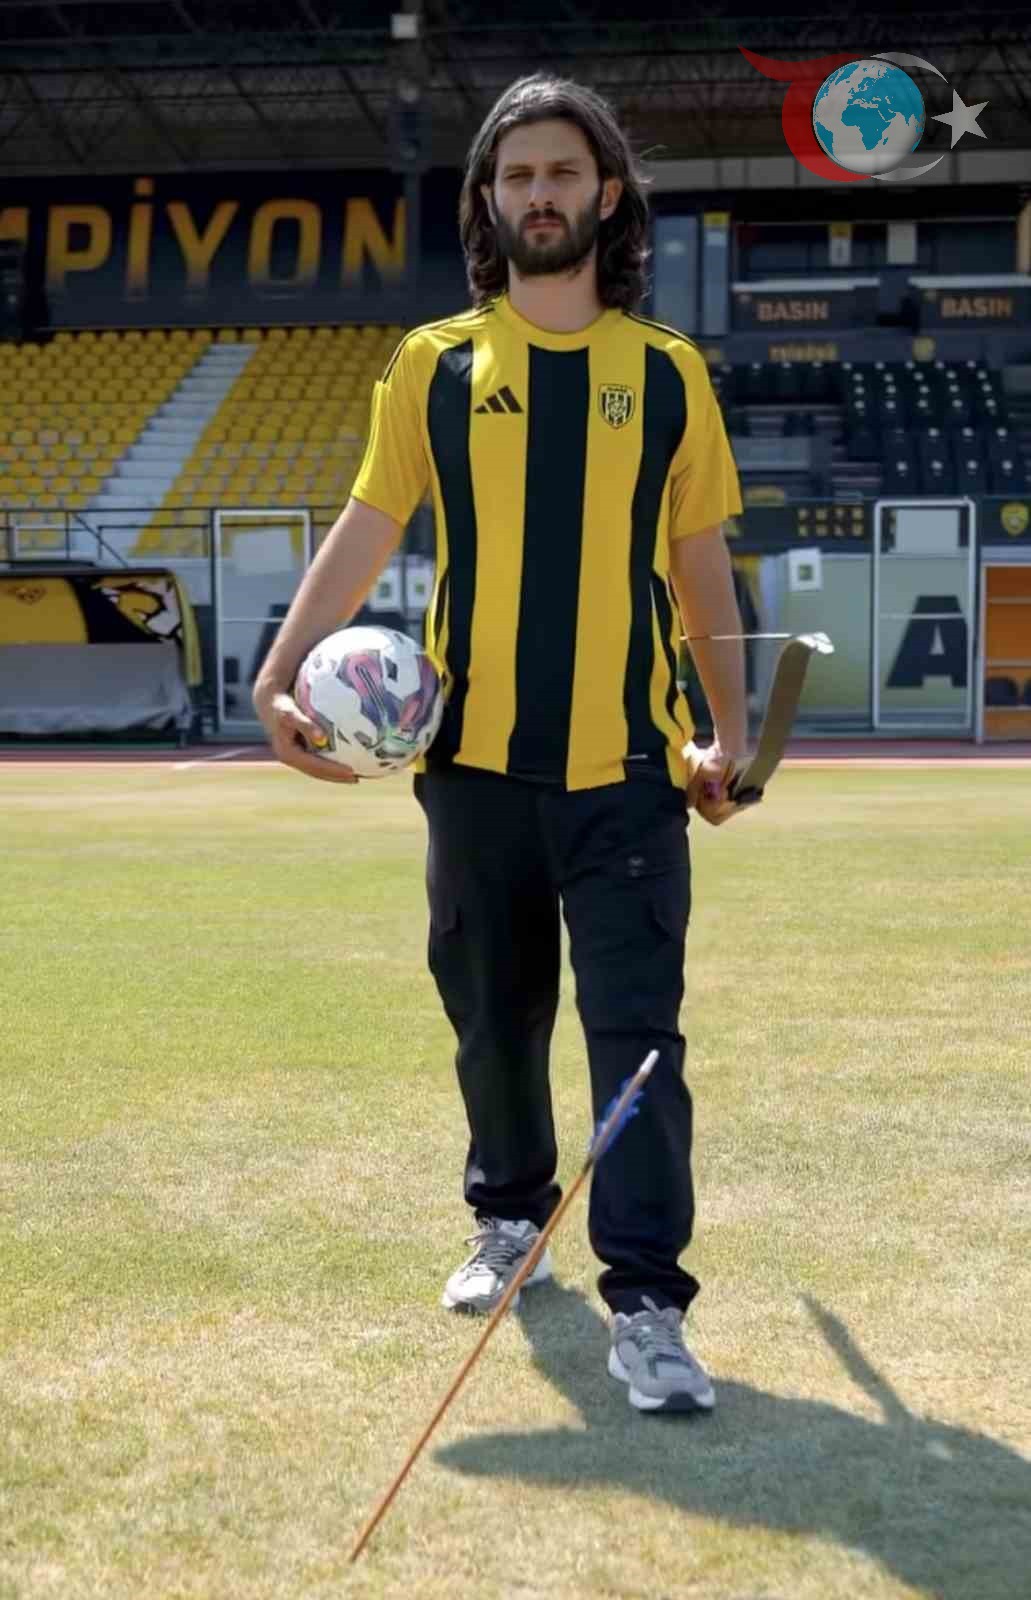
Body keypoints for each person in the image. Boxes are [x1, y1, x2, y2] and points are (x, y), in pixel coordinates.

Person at [254, 73, 746, 1417]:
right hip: (471, 772)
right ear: (488, 200)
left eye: (564, 171)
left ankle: (648, 1304)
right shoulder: (436, 365)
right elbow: (366, 526)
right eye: (517, 174)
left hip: (630, 774)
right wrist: (281, 671)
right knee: (493, 1023)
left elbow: (701, 565)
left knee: (637, 1043)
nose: (541, 193)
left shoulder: (667, 374)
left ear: (606, 194)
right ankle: (509, 1219)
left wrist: (729, 735)